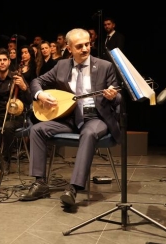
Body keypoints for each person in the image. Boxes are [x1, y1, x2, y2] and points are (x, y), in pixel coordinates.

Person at [19, 28, 121, 208]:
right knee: (37, 130)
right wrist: (40, 95)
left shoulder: (105, 66)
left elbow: (119, 96)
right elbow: (36, 82)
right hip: (69, 118)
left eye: (87, 44)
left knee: (88, 134)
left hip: (95, 118)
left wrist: (113, 96)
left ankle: (73, 188)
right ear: (69, 48)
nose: (85, 49)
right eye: (79, 46)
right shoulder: (62, 66)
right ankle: (40, 182)